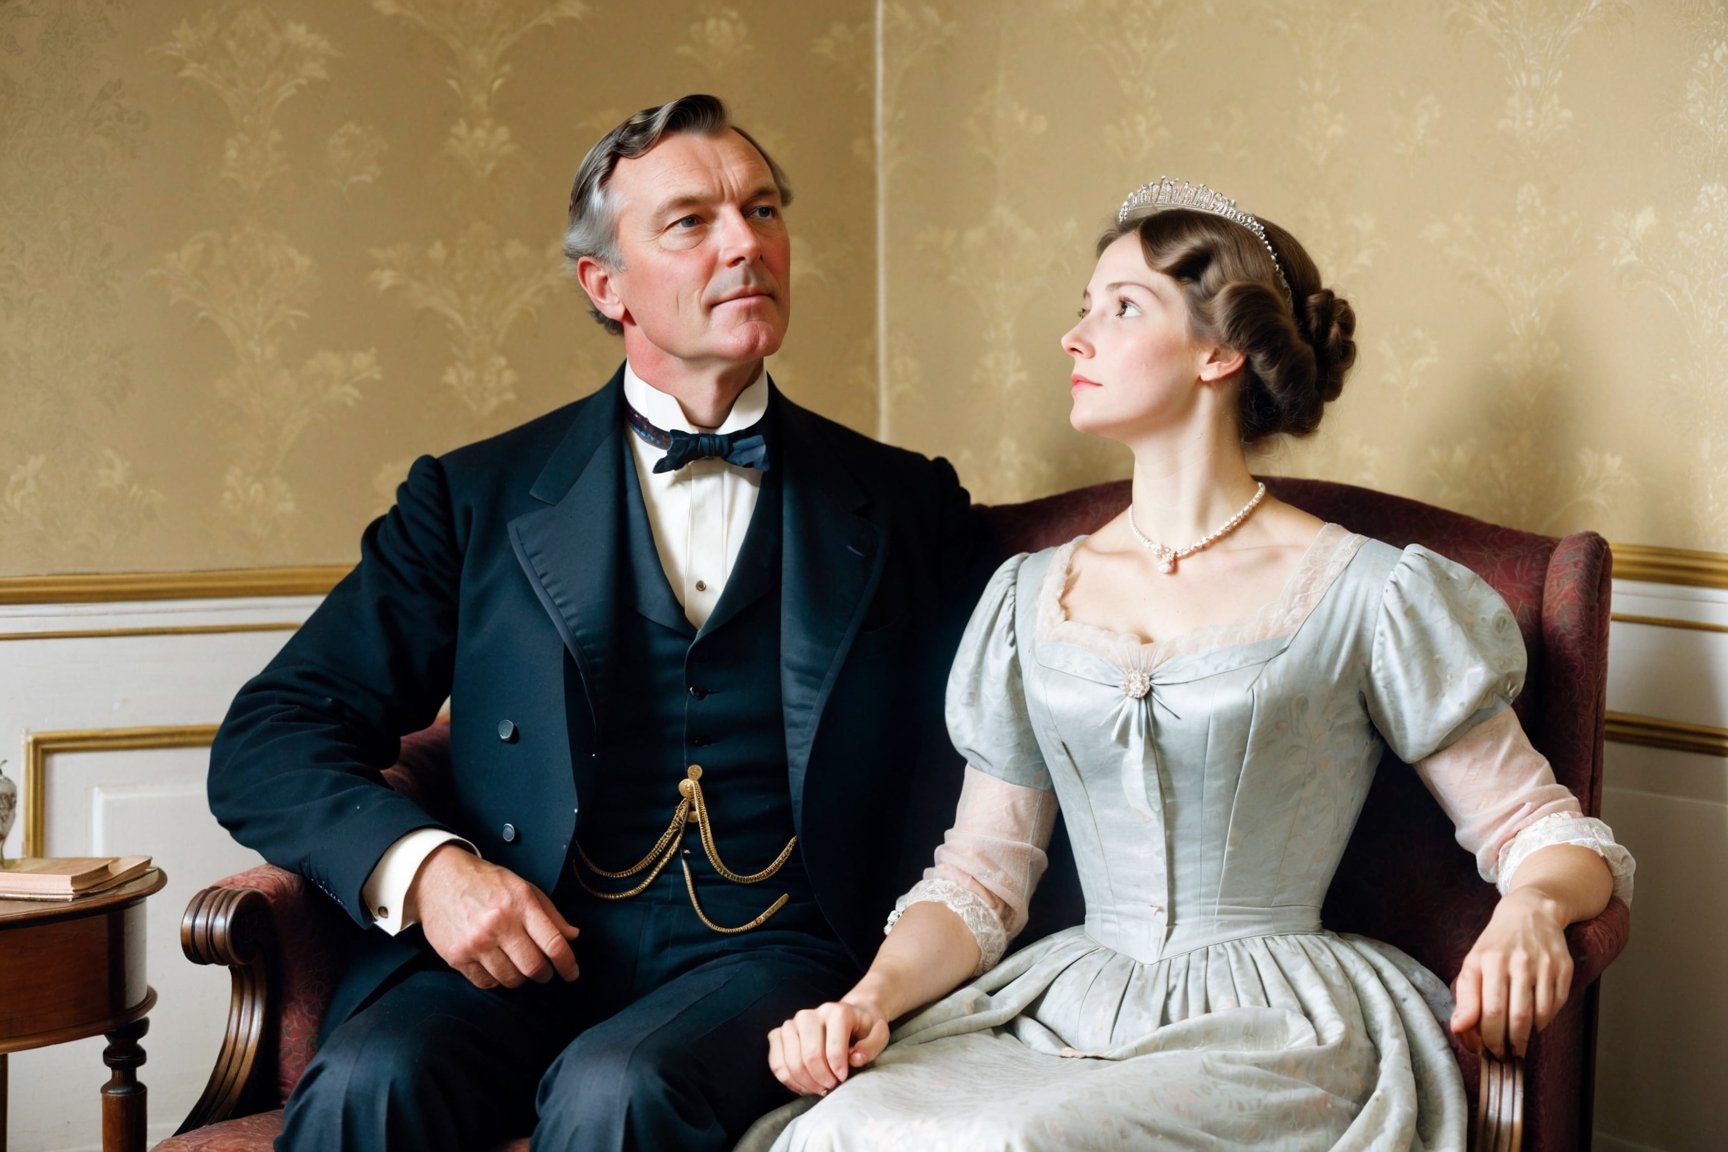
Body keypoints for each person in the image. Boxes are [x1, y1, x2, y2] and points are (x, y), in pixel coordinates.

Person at [742, 178, 1636, 1150]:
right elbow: (979, 880)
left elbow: (1547, 834)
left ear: (1222, 350)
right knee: (844, 1128)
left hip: (1278, 1029)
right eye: (1083, 308)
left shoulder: (1365, 593)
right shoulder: (1031, 596)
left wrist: (1534, 907)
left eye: (1122, 307)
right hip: (1070, 1008)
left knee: (1023, 1144)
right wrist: (869, 1000)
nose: (1076, 337)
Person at [207, 94, 993, 1152]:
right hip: (527, 941)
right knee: (366, 1078)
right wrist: (434, 872)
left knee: (615, 1089)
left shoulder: (904, 505)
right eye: (692, 222)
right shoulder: (475, 497)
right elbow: (272, 734)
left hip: (774, 955)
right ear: (604, 284)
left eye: (762, 211)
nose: (746, 244)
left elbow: (999, 751)